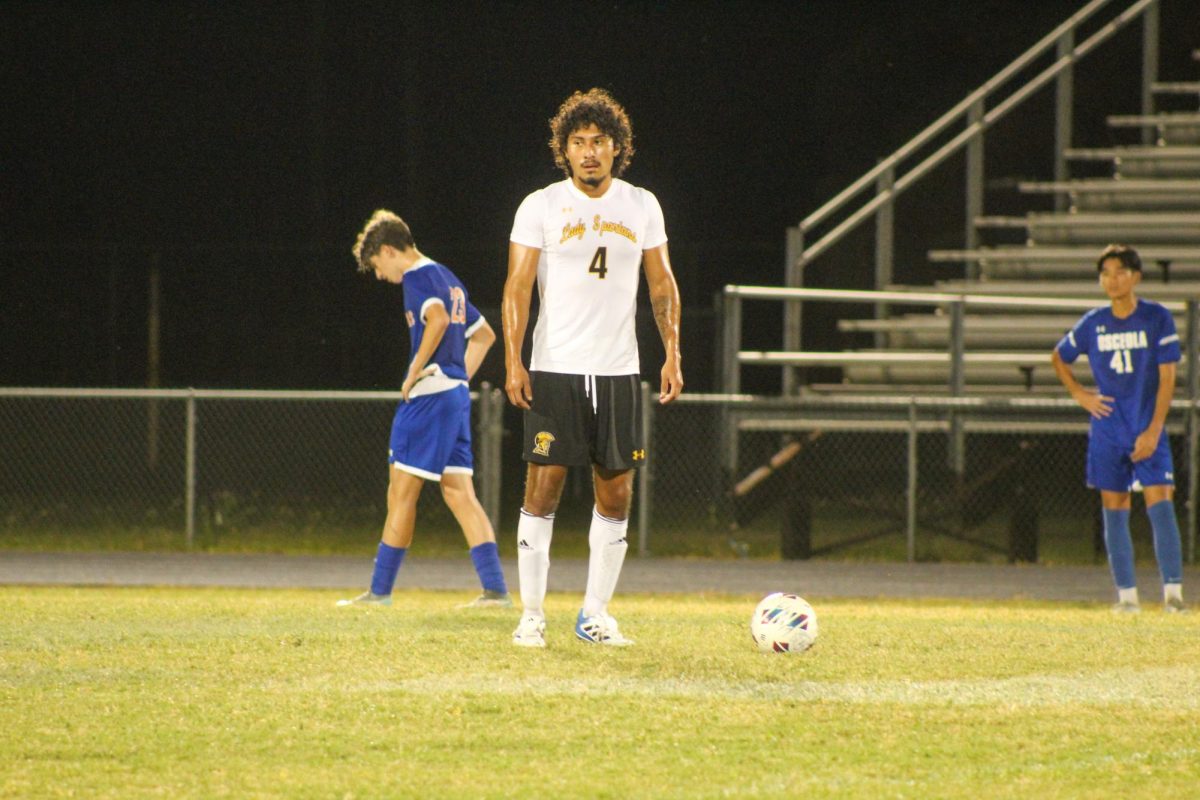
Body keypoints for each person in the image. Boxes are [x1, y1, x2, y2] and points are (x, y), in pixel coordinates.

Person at [502, 88, 684, 647]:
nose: (588, 153)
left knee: (617, 494)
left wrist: (672, 350)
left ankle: (594, 615)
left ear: (617, 148)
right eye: (578, 143)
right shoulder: (541, 205)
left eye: (598, 142)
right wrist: (514, 360)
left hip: (618, 369)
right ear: (564, 150)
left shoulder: (641, 205)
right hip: (555, 366)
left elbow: (661, 284)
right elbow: (517, 288)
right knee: (544, 488)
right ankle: (531, 615)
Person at [338, 209, 511, 609]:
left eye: (377, 265)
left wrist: (414, 373)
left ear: (388, 250)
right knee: (460, 494)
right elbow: (484, 336)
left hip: (430, 398)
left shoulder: (416, 277)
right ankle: (496, 591)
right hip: (452, 397)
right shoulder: (446, 276)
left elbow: (434, 320)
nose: (380, 275)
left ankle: (378, 593)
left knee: (400, 491)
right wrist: (458, 380)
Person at [1051, 243, 1186, 614]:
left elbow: (1168, 376)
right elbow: (1059, 356)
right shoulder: (1093, 322)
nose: (1113, 279)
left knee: (1161, 505)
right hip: (1109, 431)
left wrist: (1155, 428)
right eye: (1106, 273)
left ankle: (1173, 595)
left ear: (1136, 277)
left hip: (1146, 427)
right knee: (1114, 508)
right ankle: (1127, 598)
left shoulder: (1156, 318)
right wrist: (1081, 394)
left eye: (1120, 272)